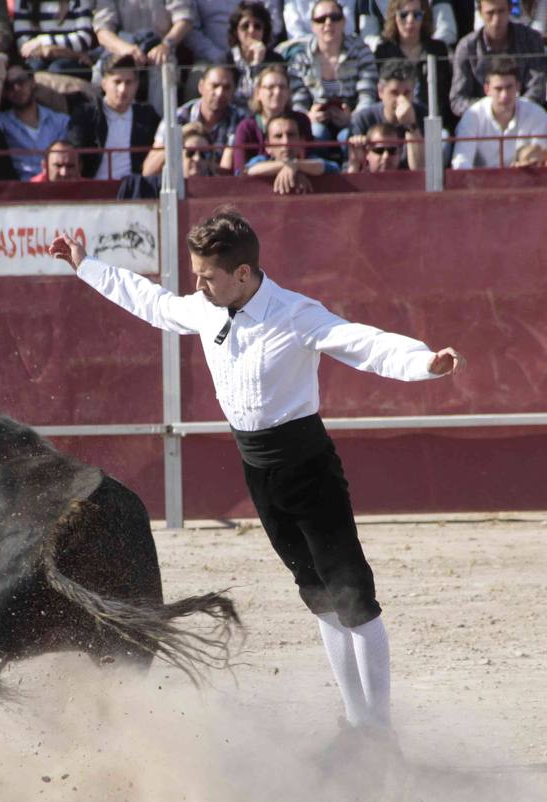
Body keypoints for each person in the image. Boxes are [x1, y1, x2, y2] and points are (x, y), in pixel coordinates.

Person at [49, 208, 462, 765]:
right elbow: (153, 304)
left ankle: (380, 735)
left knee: (353, 596)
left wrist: (422, 362)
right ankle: (356, 722)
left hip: (308, 467)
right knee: (317, 597)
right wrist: (87, 266)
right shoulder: (205, 307)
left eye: (207, 276)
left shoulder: (294, 313)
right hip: (259, 471)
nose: (197, 284)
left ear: (243, 274)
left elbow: (360, 342)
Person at [288, 0, 380, 155]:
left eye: (334, 17)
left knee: (349, 137)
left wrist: (352, 118)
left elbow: (367, 96)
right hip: (316, 120)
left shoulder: (361, 51)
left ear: (344, 22)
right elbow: (298, 102)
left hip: (353, 117)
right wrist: (309, 117)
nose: (328, 23)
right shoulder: (301, 57)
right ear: (312, 25)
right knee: (316, 136)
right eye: (321, 19)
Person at [65, 53, 161, 179]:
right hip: (93, 190)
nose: (123, 89)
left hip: (135, 192)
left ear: (137, 84)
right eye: (117, 82)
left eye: (129, 82)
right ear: (104, 84)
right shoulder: (86, 114)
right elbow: (75, 156)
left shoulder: (147, 115)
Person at [143, 63, 249, 176]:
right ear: (201, 86)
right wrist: (178, 137)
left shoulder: (241, 120)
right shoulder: (176, 118)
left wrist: (203, 163)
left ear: (234, 91)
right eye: (214, 86)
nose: (220, 93)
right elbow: (149, 171)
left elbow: (230, 174)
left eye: (227, 88)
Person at [450, 0, 547, 119]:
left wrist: (515, 110)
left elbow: (538, 88)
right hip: (481, 121)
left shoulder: (531, 39)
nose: (496, 20)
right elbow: (458, 99)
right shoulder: (467, 47)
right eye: (490, 13)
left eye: (501, 11)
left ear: (510, 9)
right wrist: (492, 109)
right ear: (480, 13)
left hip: (525, 118)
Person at [0, 60, 73, 180]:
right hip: (15, 190)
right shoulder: (2, 121)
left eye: (20, 81)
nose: (16, 88)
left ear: (32, 82)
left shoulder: (60, 121)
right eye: (8, 85)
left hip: (53, 186)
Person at [451, 56, 547, 168]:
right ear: (487, 89)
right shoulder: (473, 116)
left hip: (525, 182)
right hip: (481, 183)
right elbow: (461, 162)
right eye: (498, 89)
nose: (504, 95)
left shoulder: (536, 114)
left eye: (509, 87)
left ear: (518, 86)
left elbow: (542, 158)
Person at [371, 0, 453, 123]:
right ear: (394, 17)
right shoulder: (383, 52)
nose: (410, 20)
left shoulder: (437, 49)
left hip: (432, 120)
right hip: (393, 124)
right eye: (404, 15)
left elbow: (445, 93)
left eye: (417, 15)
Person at [226, 62, 314, 172]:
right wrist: (287, 166)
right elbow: (240, 171)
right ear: (258, 93)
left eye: (282, 87)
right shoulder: (246, 127)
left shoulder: (301, 121)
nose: (277, 92)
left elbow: (310, 159)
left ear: (288, 92)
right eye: (270, 87)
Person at [245, 113, 341, 192]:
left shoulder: (310, 159)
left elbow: (333, 168)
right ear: (268, 146)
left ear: (302, 141)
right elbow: (249, 170)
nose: (286, 142)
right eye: (278, 136)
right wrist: (291, 166)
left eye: (291, 135)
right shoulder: (261, 160)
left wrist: (296, 165)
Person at [11, 0, 97, 74]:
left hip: (72, 58)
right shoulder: (23, 2)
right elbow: (24, 45)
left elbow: (84, 40)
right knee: (34, 68)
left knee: (57, 69)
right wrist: (46, 51)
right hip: (37, 57)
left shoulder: (79, 2)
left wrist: (42, 41)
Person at [227, 0, 285, 100]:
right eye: (245, 26)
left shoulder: (276, 60)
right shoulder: (226, 60)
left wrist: (257, 63)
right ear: (236, 31)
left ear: (264, 31)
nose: (251, 31)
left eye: (257, 26)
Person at [347, 119, 423, 168]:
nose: (386, 156)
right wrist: (355, 163)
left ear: (399, 152)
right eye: (379, 150)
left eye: (392, 150)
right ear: (367, 152)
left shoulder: (409, 180)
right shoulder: (360, 178)